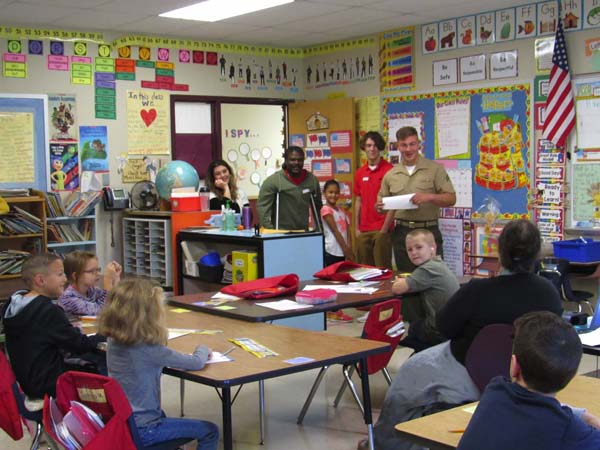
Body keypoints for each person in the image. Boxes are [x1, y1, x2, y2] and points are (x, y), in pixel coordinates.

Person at [358, 219, 563, 450]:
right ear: (536, 253)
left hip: (467, 372)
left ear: (499, 251)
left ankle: (384, 443)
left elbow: (445, 327)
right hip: (528, 376)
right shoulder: (549, 293)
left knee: (409, 374)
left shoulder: (478, 290)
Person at [97, 279, 219, 449]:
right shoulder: (150, 350)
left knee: (162, 414)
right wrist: (203, 348)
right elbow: (196, 362)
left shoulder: (113, 340)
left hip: (122, 423)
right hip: (145, 429)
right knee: (210, 431)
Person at [458, 311, 600, 450]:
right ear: (573, 373)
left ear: (514, 365)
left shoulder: (495, 391)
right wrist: (588, 420)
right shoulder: (572, 430)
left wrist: (580, 415)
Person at [2, 254, 106, 399]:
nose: (65, 279)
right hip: (49, 384)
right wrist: (105, 333)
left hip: (27, 380)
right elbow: (79, 345)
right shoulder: (47, 311)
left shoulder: (14, 303)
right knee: (100, 365)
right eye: (60, 274)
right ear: (40, 280)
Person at [378, 126, 456, 273]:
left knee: (433, 277)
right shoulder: (391, 174)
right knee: (406, 278)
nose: (408, 149)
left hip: (428, 230)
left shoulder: (435, 169)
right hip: (402, 232)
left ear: (419, 144)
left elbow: (451, 199)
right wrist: (380, 207)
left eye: (412, 144)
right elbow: (381, 205)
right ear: (398, 146)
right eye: (404, 145)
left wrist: (429, 197)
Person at [391, 229, 459, 352]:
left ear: (433, 247)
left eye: (419, 247)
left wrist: (399, 282)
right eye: (409, 249)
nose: (414, 253)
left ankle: (418, 356)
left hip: (439, 331)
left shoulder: (428, 269)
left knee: (414, 326)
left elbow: (397, 289)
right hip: (453, 327)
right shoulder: (438, 263)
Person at [353, 131, 393, 269]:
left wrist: (384, 229)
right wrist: (356, 228)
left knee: (383, 270)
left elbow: (393, 201)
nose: (372, 149)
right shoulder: (360, 172)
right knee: (364, 270)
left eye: (375, 145)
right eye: (369, 145)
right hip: (364, 229)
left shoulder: (389, 170)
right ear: (364, 148)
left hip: (382, 228)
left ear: (380, 147)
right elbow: (358, 200)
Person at [257, 146, 322, 230]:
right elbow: (263, 208)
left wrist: (319, 229)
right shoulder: (274, 181)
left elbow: (318, 207)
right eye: (292, 160)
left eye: (300, 160)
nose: (296, 163)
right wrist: (270, 231)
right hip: (281, 232)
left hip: (303, 232)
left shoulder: (312, 180)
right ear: (286, 161)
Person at [321, 179, 354, 323]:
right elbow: (335, 231)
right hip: (332, 250)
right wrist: (346, 250)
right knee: (332, 283)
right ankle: (332, 311)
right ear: (324, 193)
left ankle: (336, 309)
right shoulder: (325, 210)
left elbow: (348, 231)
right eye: (330, 192)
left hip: (342, 251)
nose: (333, 195)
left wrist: (349, 248)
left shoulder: (341, 210)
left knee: (341, 283)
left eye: (336, 192)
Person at [58, 251, 122, 316]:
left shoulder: (92, 290)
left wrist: (116, 279)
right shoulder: (68, 298)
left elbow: (115, 302)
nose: (98, 274)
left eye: (98, 270)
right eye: (91, 271)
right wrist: (108, 281)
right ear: (75, 276)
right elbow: (102, 312)